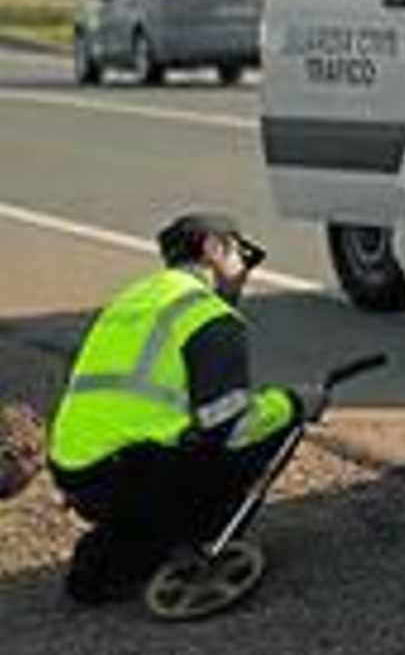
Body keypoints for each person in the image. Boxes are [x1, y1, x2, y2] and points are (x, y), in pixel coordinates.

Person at [46, 212, 319, 604]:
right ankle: (197, 542)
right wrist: (295, 403)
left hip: (74, 472)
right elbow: (232, 426)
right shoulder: (209, 315)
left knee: (181, 452)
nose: (247, 272)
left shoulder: (133, 299)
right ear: (214, 248)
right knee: (273, 427)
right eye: (246, 256)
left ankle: (118, 551)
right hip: (132, 475)